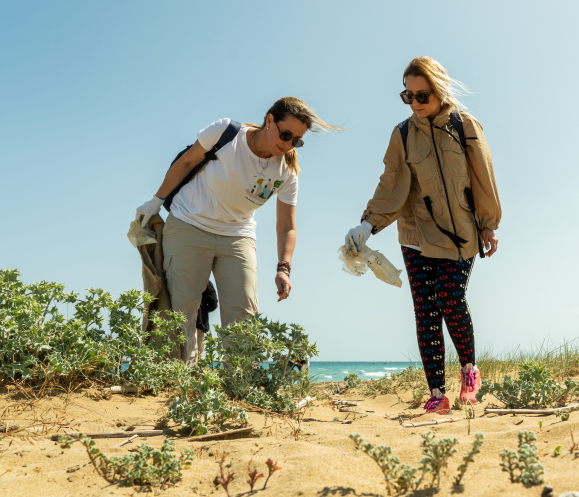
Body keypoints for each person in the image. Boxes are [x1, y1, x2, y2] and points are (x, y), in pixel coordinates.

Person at [345, 56, 501, 415]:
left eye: (422, 96)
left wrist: (489, 223)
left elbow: (483, 176)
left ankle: (469, 371)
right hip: (415, 234)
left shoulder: (465, 126)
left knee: (450, 297)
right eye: (408, 96)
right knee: (426, 311)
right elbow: (391, 183)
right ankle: (436, 392)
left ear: (440, 91)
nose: (415, 104)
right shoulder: (401, 135)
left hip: (461, 233)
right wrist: (367, 225)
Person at [135, 97, 343, 365]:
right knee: (179, 311)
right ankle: (169, 382)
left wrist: (284, 268)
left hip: (237, 236)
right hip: (190, 224)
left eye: (297, 141)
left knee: (243, 315)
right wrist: (156, 202)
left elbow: (287, 226)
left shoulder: (287, 172)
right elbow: (186, 163)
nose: (289, 144)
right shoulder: (225, 133)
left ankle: (239, 387)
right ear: (269, 120)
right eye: (286, 135)